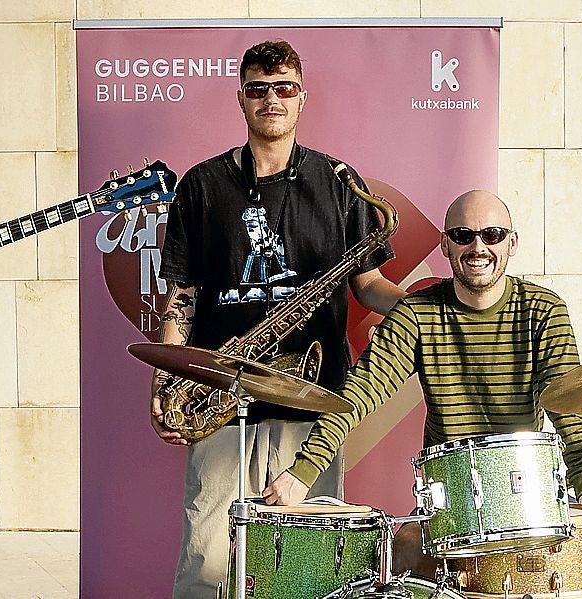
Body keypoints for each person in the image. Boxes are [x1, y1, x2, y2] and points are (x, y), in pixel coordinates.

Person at [265, 190, 582, 599]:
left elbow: (570, 406)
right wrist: (301, 474)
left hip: (530, 498)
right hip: (447, 508)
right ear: (445, 244)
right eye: (463, 235)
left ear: (512, 243)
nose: (478, 247)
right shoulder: (419, 313)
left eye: (493, 234)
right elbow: (360, 395)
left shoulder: (543, 310)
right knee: (397, 554)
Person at [150, 39, 404, 598]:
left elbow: (367, 285)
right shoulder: (201, 184)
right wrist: (168, 383)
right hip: (220, 398)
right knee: (205, 559)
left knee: (306, 567)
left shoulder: (340, 183)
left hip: (313, 397)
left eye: (283, 88)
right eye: (258, 89)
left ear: (302, 98)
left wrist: (416, 307)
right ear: (240, 98)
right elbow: (182, 296)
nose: (271, 99)